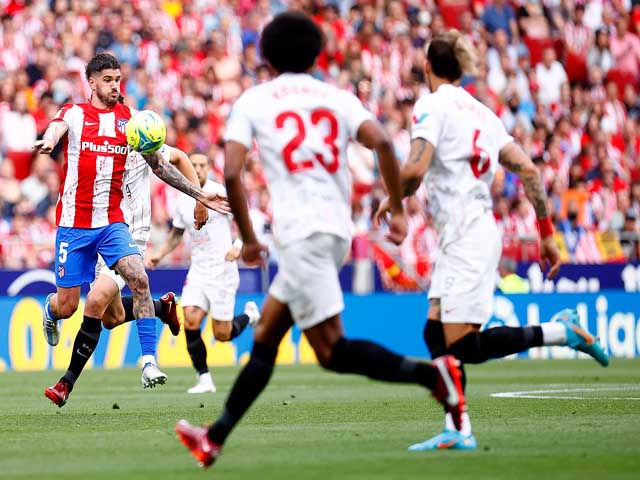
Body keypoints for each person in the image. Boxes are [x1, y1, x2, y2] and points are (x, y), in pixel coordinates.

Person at [174, 12, 467, 468]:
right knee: (268, 334)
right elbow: (384, 144)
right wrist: (396, 206)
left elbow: (230, 171)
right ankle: (213, 439)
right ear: (316, 54)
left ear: (265, 56)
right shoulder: (337, 97)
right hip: (333, 231)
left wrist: (249, 240)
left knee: (332, 352)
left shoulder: (254, 100)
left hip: (301, 235)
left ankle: (436, 378)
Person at [374, 30, 609, 451]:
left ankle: (562, 332)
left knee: (463, 344)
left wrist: (393, 199)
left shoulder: (431, 104)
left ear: (427, 68)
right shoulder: (483, 113)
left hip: (468, 235)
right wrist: (547, 236)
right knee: (434, 336)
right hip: (466, 232)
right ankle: (458, 428)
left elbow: (415, 169)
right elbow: (531, 172)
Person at [32, 53, 228, 402]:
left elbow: (162, 167)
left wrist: (200, 193)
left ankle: (148, 363)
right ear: (90, 81)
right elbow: (57, 126)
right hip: (73, 227)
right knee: (79, 309)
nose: (114, 86)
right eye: (107, 80)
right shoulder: (75, 114)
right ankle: (52, 310)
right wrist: (50, 140)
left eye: (118, 79)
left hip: (112, 224)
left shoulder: (132, 122)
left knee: (137, 277)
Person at [43, 142, 214, 407]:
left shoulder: (140, 141)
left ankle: (66, 383)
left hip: (129, 236)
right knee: (111, 318)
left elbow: (179, 157)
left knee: (96, 301)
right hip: (97, 230)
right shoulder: (96, 145)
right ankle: (160, 308)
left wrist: (199, 198)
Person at [147, 151, 260, 394]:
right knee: (190, 320)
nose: (196, 169)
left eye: (201, 165)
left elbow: (245, 222)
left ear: (208, 167)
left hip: (223, 269)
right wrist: (160, 253)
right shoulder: (183, 199)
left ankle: (249, 316)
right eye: (193, 164)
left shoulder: (220, 193)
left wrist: (238, 247)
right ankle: (204, 379)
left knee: (222, 334)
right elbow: (177, 233)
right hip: (198, 269)